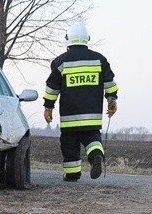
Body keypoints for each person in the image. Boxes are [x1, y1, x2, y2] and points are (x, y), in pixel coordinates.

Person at [43, 21, 118, 182]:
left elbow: (52, 88)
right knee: (92, 139)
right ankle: (96, 156)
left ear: (68, 39)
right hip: (92, 117)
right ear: (87, 39)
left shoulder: (60, 62)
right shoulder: (99, 60)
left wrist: (48, 107)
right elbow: (110, 83)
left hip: (70, 118)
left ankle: (72, 174)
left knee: (69, 144)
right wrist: (112, 101)